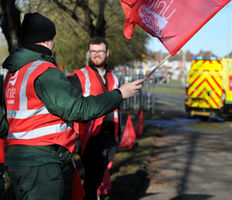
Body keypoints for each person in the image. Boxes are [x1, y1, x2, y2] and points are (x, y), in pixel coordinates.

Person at [2, 12, 144, 200]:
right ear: (46, 41)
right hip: (41, 163)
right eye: (53, 39)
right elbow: (78, 108)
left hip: (18, 159)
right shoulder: (44, 71)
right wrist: (120, 94)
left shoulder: (14, 74)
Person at [68, 37, 120, 200]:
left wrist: (119, 132)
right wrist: (75, 136)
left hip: (109, 135)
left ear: (107, 53)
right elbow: (71, 107)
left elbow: (119, 107)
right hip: (89, 137)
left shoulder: (113, 77)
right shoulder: (78, 76)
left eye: (100, 51)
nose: (96, 55)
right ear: (89, 53)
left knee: (97, 177)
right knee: (91, 179)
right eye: (93, 51)